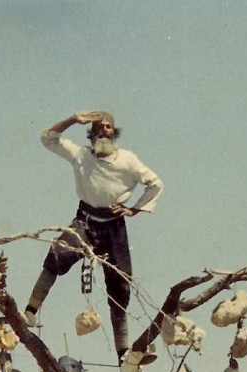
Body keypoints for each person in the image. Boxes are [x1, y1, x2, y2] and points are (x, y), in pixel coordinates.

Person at [23, 110, 163, 359]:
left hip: (114, 227)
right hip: (85, 222)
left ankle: (123, 352)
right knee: (57, 254)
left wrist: (135, 209)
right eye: (99, 127)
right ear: (92, 133)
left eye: (108, 126)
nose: (103, 130)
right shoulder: (80, 155)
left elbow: (155, 183)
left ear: (114, 132)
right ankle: (30, 311)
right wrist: (72, 119)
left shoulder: (127, 160)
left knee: (120, 283)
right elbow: (48, 139)